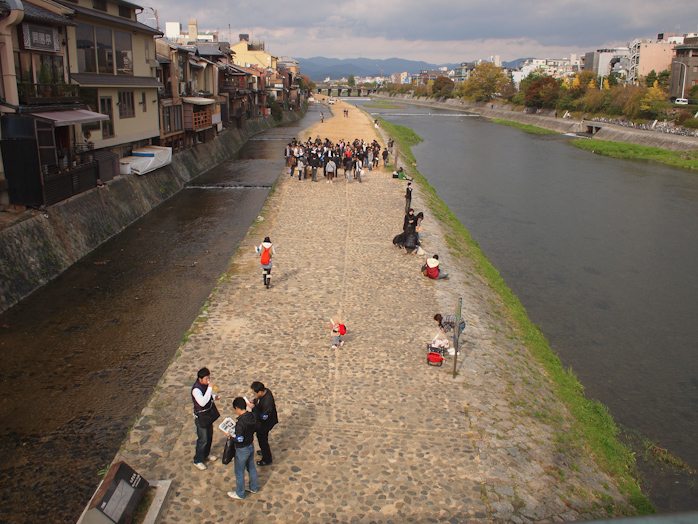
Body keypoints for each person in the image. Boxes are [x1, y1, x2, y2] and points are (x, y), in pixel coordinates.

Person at [226, 397, 259, 500]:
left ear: (236, 408)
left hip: (242, 449)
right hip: (250, 445)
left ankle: (240, 493)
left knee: (239, 472)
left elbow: (239, 439)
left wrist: (230, 436)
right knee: (251, 467)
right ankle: (254, 487)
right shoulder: (251, 416)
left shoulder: (241, 423)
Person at [191, 367, 221, 471]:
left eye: (209, 378)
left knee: (209, 436)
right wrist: (210, 388)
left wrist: (213, 397)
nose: (208, 380)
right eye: (206, 379)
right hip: (201, 417)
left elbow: (207, 396)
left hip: (208, 415)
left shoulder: (204, 386)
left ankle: (206, 454)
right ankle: (198, 460)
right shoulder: (196, 390)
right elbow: (202, 402)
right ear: (200, 379)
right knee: (202, 439)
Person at [248, 381, 278, 466]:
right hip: (265, 421)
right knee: (263, 440)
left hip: (265, 424)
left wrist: (254, 408)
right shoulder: (266, 392)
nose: (255, 395)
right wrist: (254, 402)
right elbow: (259, 401)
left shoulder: (267, 402)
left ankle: (267, 459)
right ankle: (264, 451)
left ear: (260, 392)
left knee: (262, 440)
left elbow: (264, 416)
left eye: (255, 393)